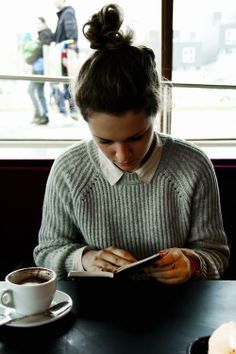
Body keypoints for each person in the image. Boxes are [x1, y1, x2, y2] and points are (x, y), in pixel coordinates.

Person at [34, 4, 230, 283]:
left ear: (156, 114)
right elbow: (46, 253)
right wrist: (85, 258)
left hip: (177, 308)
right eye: (104, 141)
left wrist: (192, 264)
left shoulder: (193, 165)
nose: (123, 155)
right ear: (87, 123)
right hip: (96, 312)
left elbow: (216, 254)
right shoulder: (68, 169)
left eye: (137, 137)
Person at [52, 0, 79, 120]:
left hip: (67, 52)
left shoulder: (67, 13)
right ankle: (72, 109)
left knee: (68, 79)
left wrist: (69, 52)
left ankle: (74, 109)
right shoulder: (62, 15)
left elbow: (71, 35)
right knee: (66, 80)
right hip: (64, 52)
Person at [26, 17, 54, 125]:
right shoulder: (44, 34)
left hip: (39, 67)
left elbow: (41, 50)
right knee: (38, 91)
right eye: (36, 23)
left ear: (44, 23)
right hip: (40, 67)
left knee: (32, 90)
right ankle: (41, 115)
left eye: (39, 23)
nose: (37, 25)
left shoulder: (45, 34)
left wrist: (30, 58)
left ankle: (41, 115)